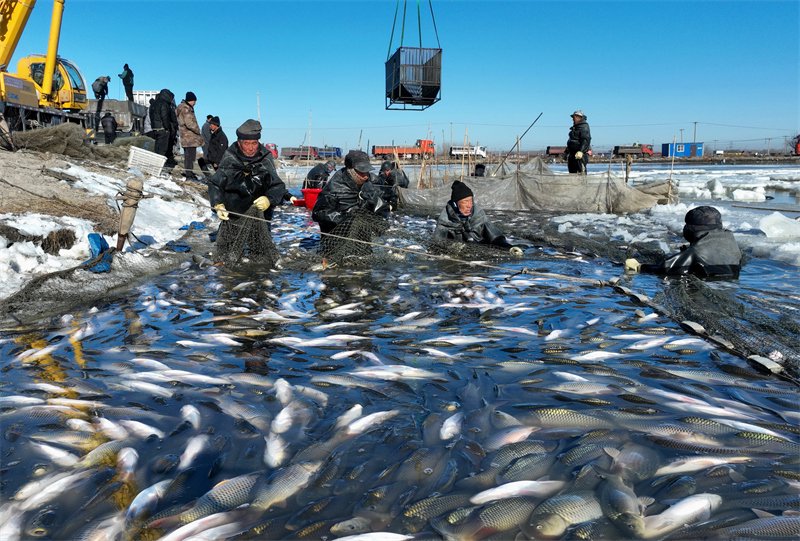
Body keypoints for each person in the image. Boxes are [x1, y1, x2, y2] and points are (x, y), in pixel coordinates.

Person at [625, 206, 742, 279]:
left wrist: (640, 267)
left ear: (694, 228)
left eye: (688, 225)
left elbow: (666, 268)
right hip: (730, 286)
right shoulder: (732, 244)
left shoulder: (695, 252)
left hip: (708, 287)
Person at [208, 119, 287, 225]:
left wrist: (269, 199)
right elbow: (215, 184)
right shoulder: (230, 157)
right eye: (246, 143)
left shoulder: (265, 157)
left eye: (254, 143)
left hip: (260, 216)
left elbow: (277, 186)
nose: (251, 148)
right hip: (233, 215)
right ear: (239, 143)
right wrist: (217, 204)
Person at [433, 180, 523, 255]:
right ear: (455, 204)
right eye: (465, 202)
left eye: (471, 201)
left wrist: (509, 248)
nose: (469, 205)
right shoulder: (445, 220)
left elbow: (495, 237)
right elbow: (438, 246)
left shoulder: (478, 214)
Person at [311, 150, 388, 234]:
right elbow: (318, 213)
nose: (365, 176)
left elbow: (380, 203)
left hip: (362, 235)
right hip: (338, 238)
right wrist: (345, 219)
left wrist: (381, 217)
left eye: (367, 171)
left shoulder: (367, 183)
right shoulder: (333, 189)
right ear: (350, 170)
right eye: (361, 172)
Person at [176, 92, 204, 181]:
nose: (195, 103)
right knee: (190, 157)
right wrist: (197, 130)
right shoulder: (186, 108)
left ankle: (189, 173)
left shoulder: (183, 107)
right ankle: (189, 174)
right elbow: (189, 123)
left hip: (186, 136)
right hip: (189, 137)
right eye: (194, 101)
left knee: (189, 156)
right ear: (191, 100)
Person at [149, 89, 178, 163]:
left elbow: (151, 116)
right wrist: (167, 128)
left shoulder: (154, 104)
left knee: (157, 148)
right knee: (162, 150)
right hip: (163, 129)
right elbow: (165, 117)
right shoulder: (164, 104)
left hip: (155, 128)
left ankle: (155, 164)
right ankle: (159, 166)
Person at [566, 109, 591, 174]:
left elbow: (585, 140)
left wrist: (581, 151)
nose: (573, 119)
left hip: (579, 155)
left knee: (581, 172)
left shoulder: (584, 127)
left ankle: (582, 184)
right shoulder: (575, 127)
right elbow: (571, 141)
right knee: (572, 173)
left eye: (574, 117)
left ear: (579, 117)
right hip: (572, 154)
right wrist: (566, 152)